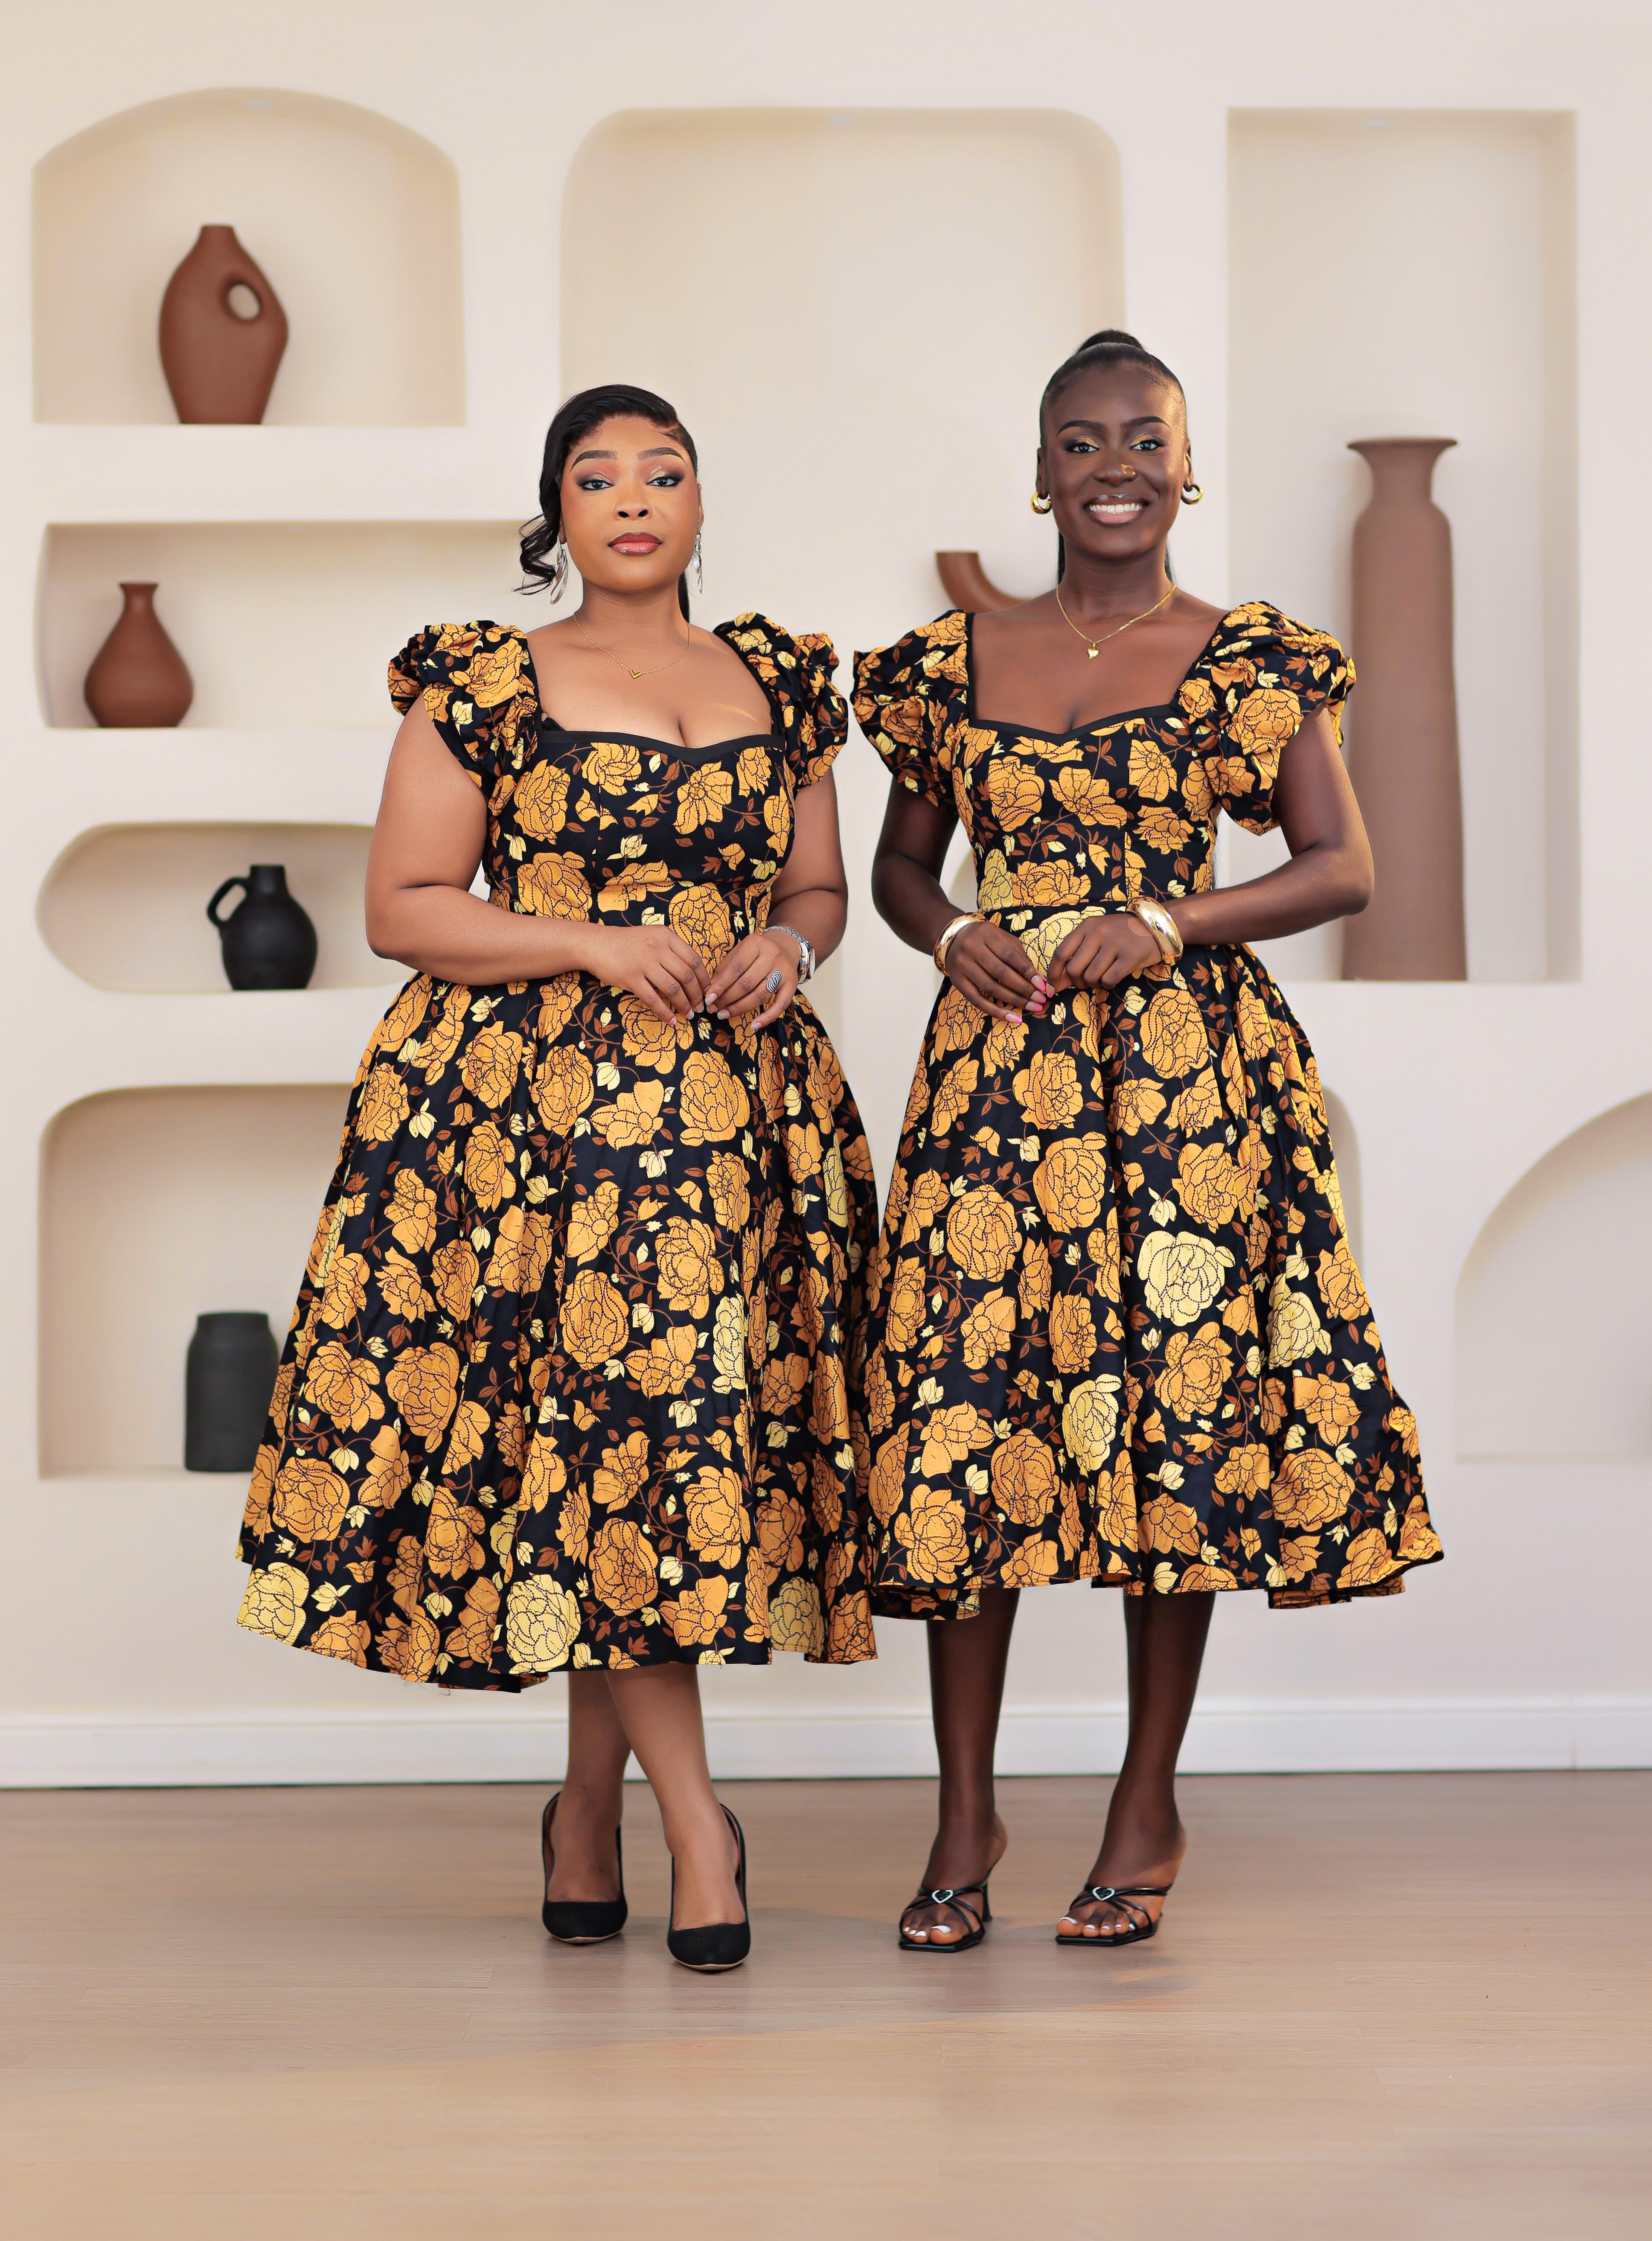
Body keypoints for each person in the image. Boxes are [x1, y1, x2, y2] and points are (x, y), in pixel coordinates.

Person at [238, 384, 878, 1974]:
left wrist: (791, 947)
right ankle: (700, 1833)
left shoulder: (784, 681)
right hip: (529, 1128)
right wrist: (594, 940)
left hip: (735, 1122)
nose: (635, 500)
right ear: (557, 513)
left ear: (702, 501)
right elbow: (403, 903)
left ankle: (582, 1810)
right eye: (598, 478)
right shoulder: (487, 682)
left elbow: (817, 880)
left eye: (664, 473)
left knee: (640, 1462)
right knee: (617, 1446)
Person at [852, 329, 1440, 1954]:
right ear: (1038, 470)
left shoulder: (1255, 657)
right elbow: (905, 866)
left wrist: (1171, 921)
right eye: (1082, 440)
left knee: (1165, 1429)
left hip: (1187, 1084)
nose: (1116, 466)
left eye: (1147, 439)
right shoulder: (946, 660)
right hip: (996, 1079)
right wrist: (947, 933)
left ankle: (1143, 1803)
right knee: (969, 1428)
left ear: (1190, 468)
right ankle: (964, 1812)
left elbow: (1341, 867)